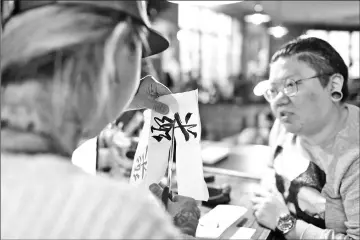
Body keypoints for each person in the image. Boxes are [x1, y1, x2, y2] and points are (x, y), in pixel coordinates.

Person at [1, 1, 200, 238]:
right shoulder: (125, 219)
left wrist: (115, 98)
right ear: (116, 53)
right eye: (139, 51)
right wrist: (180, 230)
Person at [251, 37, 359, 239]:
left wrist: (284, 223)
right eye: (273, 90)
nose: (278, 100)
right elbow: (270, 168)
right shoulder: (285, 125)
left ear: (334, 85)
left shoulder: (354, 156)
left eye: (291, 84)